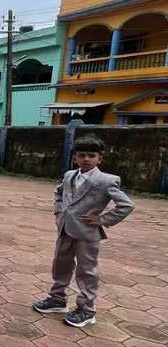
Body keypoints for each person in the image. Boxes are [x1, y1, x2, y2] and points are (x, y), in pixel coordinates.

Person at [32, 135, 134, 328]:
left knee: (86, 270)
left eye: (92, 155)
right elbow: (59, 192)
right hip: (65, 229)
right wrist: (58, 211)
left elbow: (126, 205)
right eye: (82, 155)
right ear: (75, 158)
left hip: (87, 233)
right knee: (60, 264)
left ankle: (87, 309)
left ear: (99, 158)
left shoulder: (106, 180)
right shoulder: (70, 175)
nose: (86, 159)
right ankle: (57, 299)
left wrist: (102, 219)